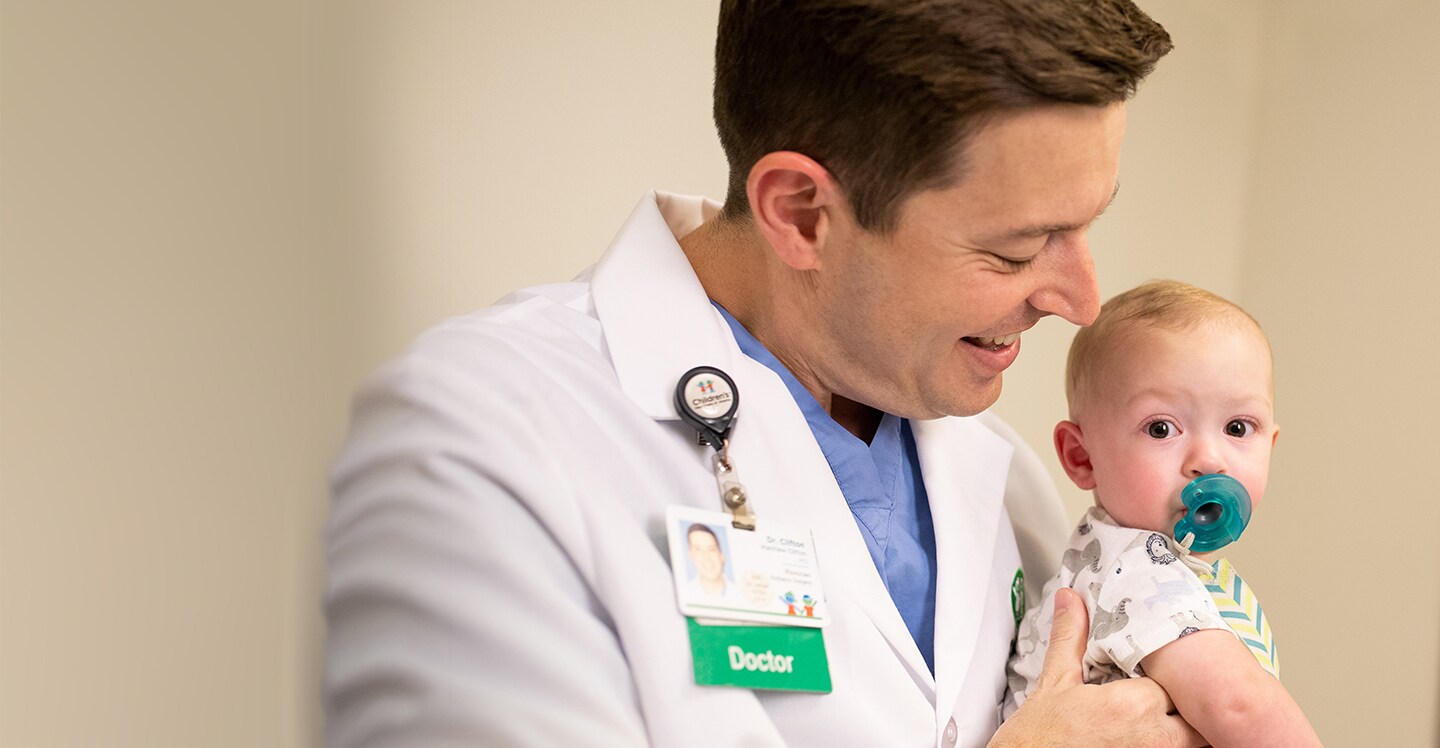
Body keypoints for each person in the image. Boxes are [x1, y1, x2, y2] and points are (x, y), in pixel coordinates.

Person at [325, 2, 1198, 746]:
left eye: (1085, 226)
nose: (1083, 300)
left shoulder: (1004, 480)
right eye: (1014, 250)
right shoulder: (477, 442)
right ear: (802, 212)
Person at [1003, 280, 1322, 746]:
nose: (1209, 459)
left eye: (1238, 427)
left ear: (1271, 443)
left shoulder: (1139, 559)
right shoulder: (1136, 568)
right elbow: (1237, 706)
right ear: (1082, 457)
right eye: (1161, 428)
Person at [684, 523, 743, 604]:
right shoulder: (685, 593)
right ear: (691, 555)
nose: (706, 557)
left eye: (711, 549)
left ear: (722, 556)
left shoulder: (742, 594)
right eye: (698, 550)